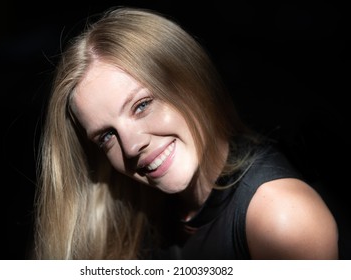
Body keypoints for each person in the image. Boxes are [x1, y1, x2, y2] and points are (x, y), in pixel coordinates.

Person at [32, 6, 338, 260]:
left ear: (191, 83)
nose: (132, 145)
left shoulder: (281, 216)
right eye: (106, 136)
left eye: (142, 105)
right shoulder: (147, 209)